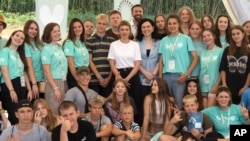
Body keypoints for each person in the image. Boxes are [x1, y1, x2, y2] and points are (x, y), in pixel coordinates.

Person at [159, 14, 198, 109]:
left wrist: (186, 74)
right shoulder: (164, 40)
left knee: (179, 104)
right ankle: (169, 124)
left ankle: (179, 124)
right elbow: (160, 61)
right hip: (166, 75)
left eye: (174, 23)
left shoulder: (186, 39)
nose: (172, 26)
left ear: (179, 24)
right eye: (170, 24)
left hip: (180, 77)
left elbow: (196, 58)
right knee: (166, 104)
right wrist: (160, 79)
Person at [108, 20, 142, 125]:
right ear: (118, 31)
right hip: (118, 75)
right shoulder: (114, 45)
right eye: (122, 29)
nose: (124, 31)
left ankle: (135, 126)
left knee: (134, 101)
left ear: (130, 31)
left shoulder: (135, 45)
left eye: (127, 29)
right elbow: (111, 62)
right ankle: (119, 125)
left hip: (132, 75)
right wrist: (118, 77)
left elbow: (137, 64)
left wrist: (127, 79)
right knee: (118, 101)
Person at [0, 30, 32, 124]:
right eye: (17, 36)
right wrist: (11, 90)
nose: (19, 39)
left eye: (22, 38)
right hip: (10, 85)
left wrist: (29, 89)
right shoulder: (4, 51)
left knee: (21, 114)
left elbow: (24, 72)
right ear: (12, 36)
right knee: (14, 115)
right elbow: (4, 71)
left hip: (21, 86)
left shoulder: (19, 54)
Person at [41, 22, 68, 115]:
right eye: (54, 31)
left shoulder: (59, 47)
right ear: (49, 33)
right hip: (54, 82)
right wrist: (55, 88)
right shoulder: (46, 49)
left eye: (58, 31)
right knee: (54, 111)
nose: (57, 33)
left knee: (63, 111)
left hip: (63, 81)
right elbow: (46, 71)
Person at [86, 13, 115, 98]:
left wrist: (109, 78)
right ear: (96, 24)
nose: (101, 26)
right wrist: (99, 77)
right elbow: (90, 61)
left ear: (107, 25)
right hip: (94, 80)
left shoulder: (112, 41)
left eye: (104, 24)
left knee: (107, 105)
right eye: (99, 23)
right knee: (94, 104)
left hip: (108, 80)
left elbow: (113, 62)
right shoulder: (89, 40)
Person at [220, 25, 250, 104]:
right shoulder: (227, 50)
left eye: (238, 33)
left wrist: (245, 87)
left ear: (243, 34)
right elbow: (223, 68)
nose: (236, 36)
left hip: (243, 86)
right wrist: (224, 84)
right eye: (233, 34)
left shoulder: (248, 50)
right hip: (229, 85)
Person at [136, 18, 160, 97]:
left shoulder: (160, 42)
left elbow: (160, 61)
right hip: (141, 77)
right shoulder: (136, 43)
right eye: (143, 27)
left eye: (148, 27)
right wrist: (146, 74)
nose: (146, 29)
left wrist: (152, 74)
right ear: (141, 30)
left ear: (153, 28)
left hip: (155, 78)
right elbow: (136, 61)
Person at [199, 29, 223, 108]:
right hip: (203, 85)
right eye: (204, 36)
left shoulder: (220, 51)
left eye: (208, 35)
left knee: (209, 110)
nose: (206, 38)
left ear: (214, 37)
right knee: (204, 109)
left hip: (214, 85)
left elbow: (222, 70)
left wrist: (216, 85)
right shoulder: (202, 52)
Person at [63, 18, 89, 89]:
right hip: (75, 74)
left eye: (79, 27)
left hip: (85, 73)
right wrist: (77, 78)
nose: (77, 29)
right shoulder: (69, 43)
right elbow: (70, 63)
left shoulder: (82, 42)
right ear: (71, 29)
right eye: (74, 27)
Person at [23, 20, 44, 99]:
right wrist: (34, 84)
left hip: (42, 81)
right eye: (31, 28)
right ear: (26, 29)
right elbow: (29, 66)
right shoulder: (25, 45)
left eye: (36, 29)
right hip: (32, 81)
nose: (34, 31)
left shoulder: (40, 44)